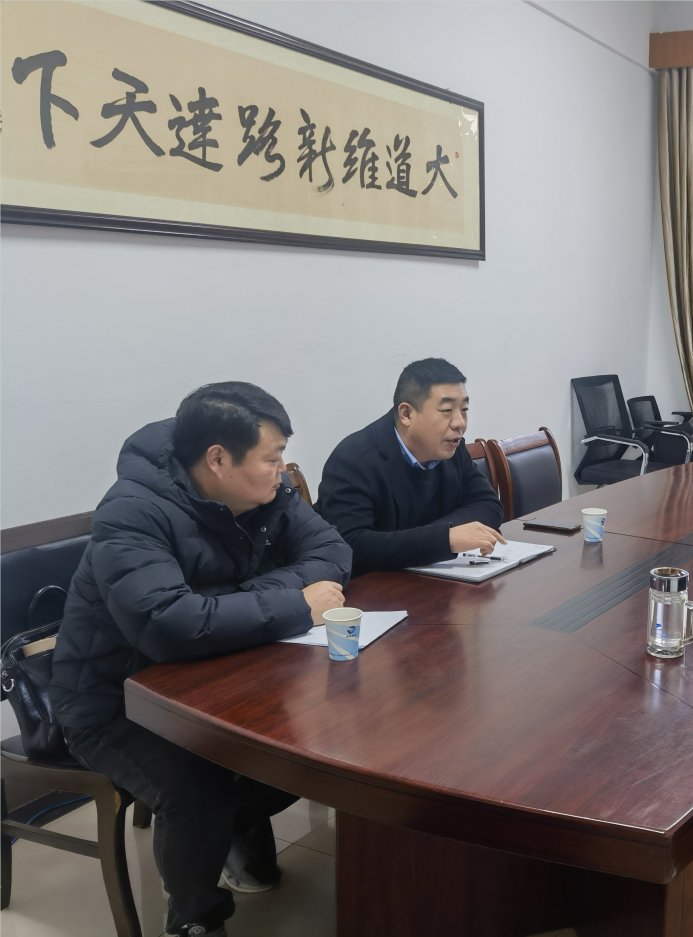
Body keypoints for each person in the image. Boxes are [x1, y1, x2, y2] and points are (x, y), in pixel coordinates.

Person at [50, 382, 352, 937]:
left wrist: (247, 599)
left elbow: (332, 552)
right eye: (272, 458)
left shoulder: (268, 493)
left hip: (221, 673)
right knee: (199, 788)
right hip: (114, 700)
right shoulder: (132, 513)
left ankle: (235, 830)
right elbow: (170, 625)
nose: (283, 471)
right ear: (218, 459)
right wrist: (293, 603)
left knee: (309, 754)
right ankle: (194, 919)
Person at [315, 357, 505, 576]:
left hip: (430, 578)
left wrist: (442, 536)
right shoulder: (354, 460)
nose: (459, 423)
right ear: (406, 414)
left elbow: (489, 505)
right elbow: (351, 546)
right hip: (374, 588)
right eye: (447, 410)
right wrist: (444, 538)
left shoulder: (451, 447)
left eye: (464, 409)